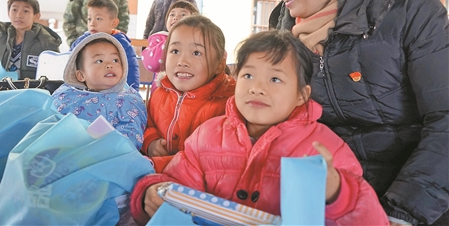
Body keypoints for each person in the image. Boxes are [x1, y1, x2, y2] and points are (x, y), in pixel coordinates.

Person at [262, 0, 448, 226]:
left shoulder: (413, 13)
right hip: (330, 195)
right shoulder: (283, 30)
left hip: (413, 200)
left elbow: (445, 120)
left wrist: (400, 214)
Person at [130, 30, 389, 226]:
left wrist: (338, 193)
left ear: (302, 94)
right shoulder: (207, 136)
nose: (257, 87)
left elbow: (369, 217)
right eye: (248, 75)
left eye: (275, 78)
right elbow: (175, 183)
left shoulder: (324, 149)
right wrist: (150, 193)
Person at [142, 15, 236, 173]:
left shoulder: (228, 104)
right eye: (175, 51)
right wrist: (151, 142)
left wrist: (157, 165)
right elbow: (148, 125)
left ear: (219, 65)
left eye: (197, 53)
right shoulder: (160, 93)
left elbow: (210, 160)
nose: (182, 61)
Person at [51, 32, 146, 151]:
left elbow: (132, 135)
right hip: (67, 155)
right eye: (99, 61)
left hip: (109, 159)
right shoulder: (66, 96)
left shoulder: (128, 100)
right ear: (81, 75)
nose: (109, 65)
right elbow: (52, 127)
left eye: (115, 60)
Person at [0, 0, 61, 79]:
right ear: (8, 13)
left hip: (31, 91)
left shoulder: (48, 44)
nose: (19, 15)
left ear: (36, 16)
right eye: (14, 10)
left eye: (26, 11)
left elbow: (54, 75)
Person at [70, 0, 140, 91]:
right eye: (89, 19)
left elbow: (131, 71)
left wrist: (132, 93)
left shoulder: (123, 44)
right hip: (86, 93)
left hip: (116, 95)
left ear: (114, 22)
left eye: (98, 19)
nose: (92, 23)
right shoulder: (80, 42)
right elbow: (70, 65)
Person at [141, 0, 199, 94]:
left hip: (189, 93)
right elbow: (150, 63)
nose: (176, 17)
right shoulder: (159, 38)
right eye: (172, 15)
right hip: (162, 94)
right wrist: (171, 40)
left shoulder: (198, 42)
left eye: (183, 15)